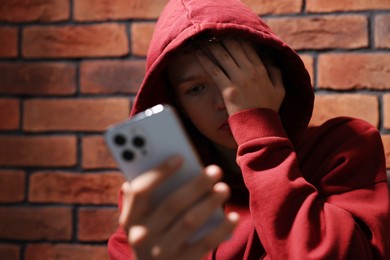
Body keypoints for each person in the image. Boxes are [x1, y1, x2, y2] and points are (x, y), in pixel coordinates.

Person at [107, 0, 390, 259]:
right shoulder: (161, 191)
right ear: (178, 105)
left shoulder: (342, 147)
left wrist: (259, 128)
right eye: (196, 89)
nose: (223, 100)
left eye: (234, 76)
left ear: (271, 76)